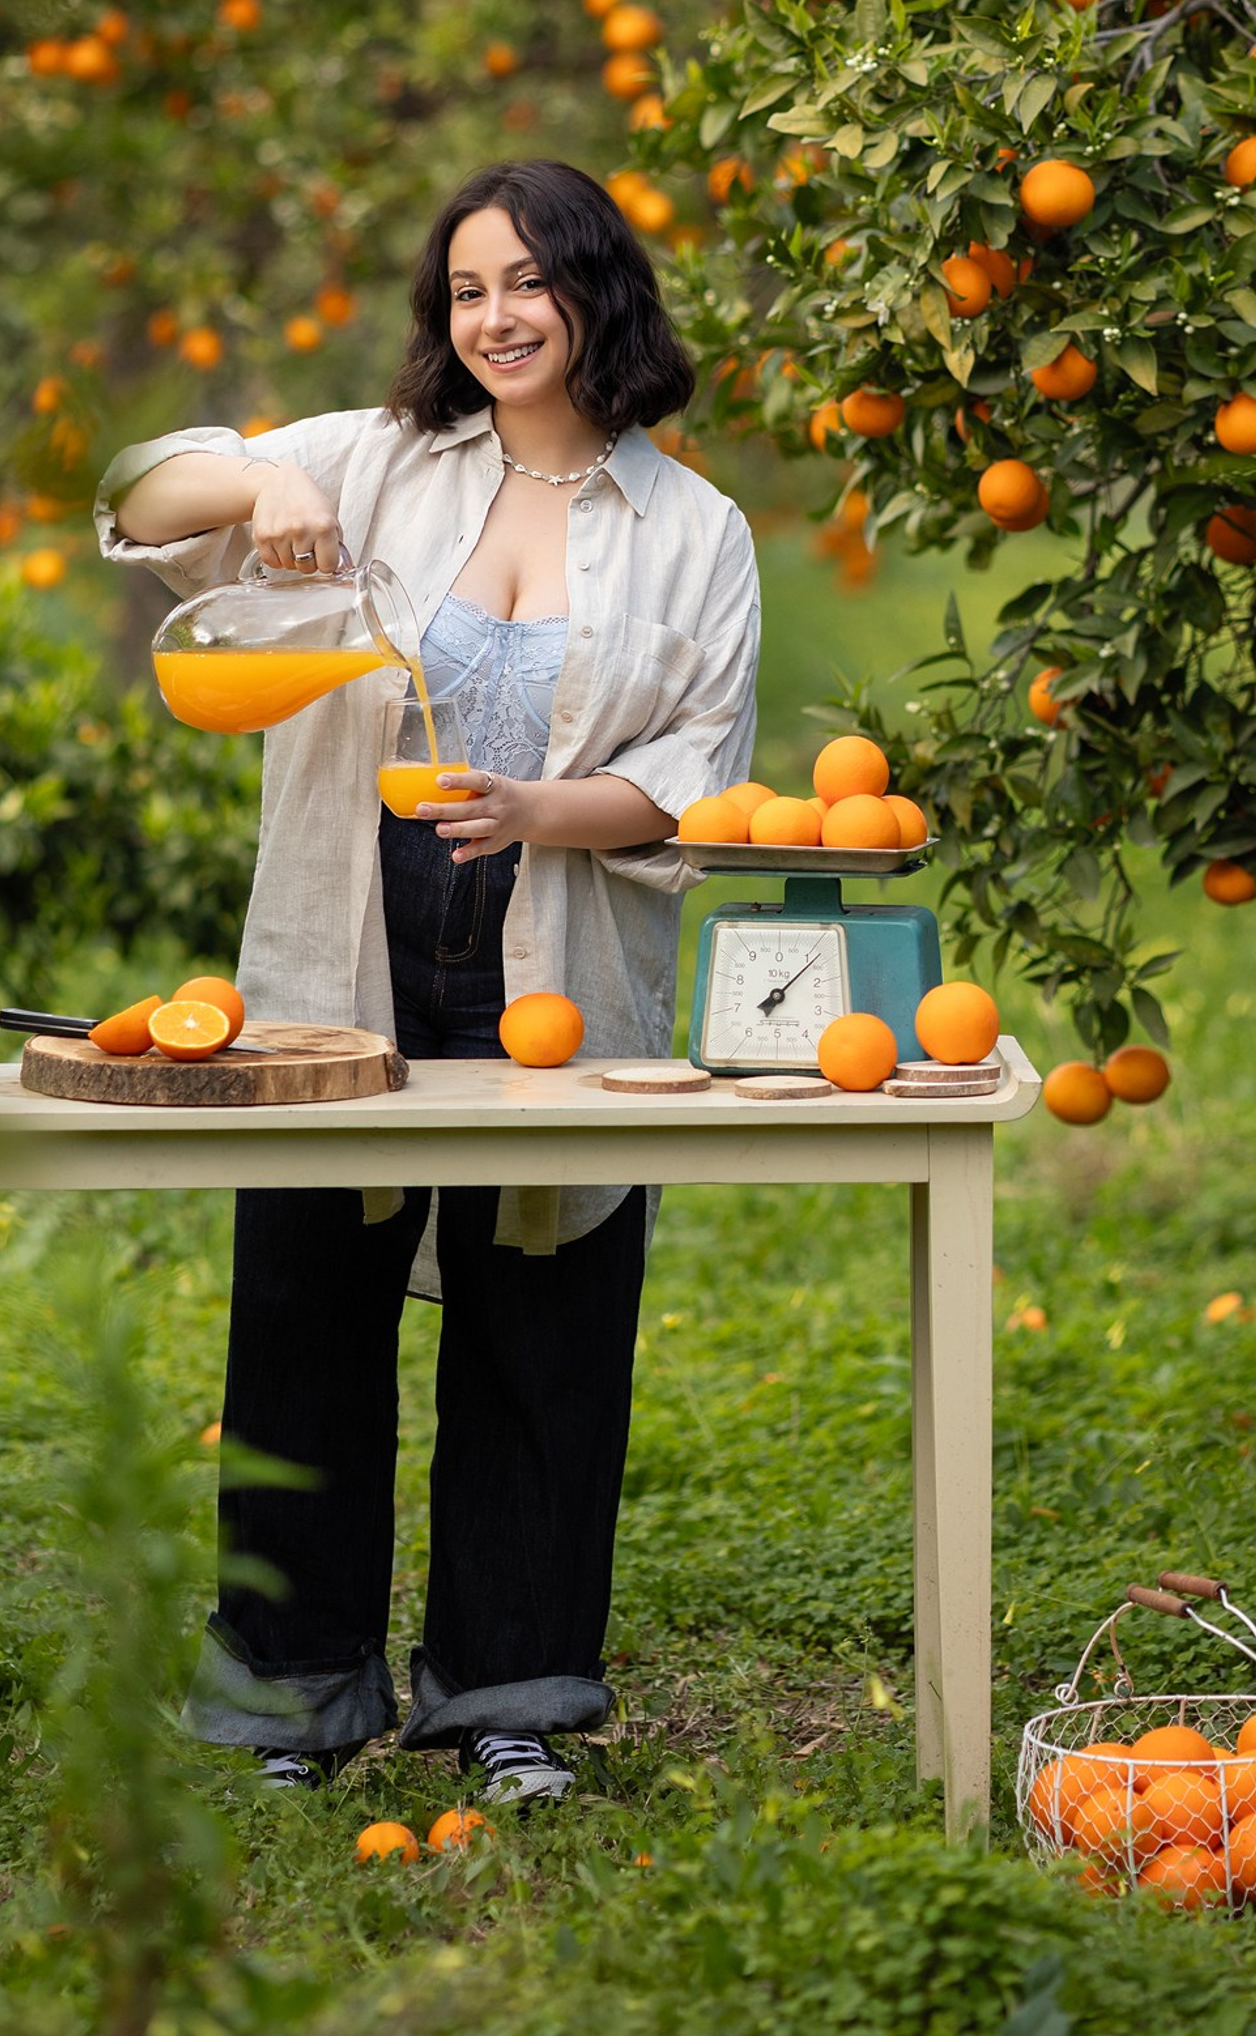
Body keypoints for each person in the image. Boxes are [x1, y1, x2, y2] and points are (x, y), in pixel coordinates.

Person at [94, 158, 760, 1803]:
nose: (496, 316)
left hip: (558, 947)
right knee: (304, 1317)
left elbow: (696, 772)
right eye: (466, 290)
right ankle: (293, 1697)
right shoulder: (376, 461)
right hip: (349, 945)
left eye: (526, 280)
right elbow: (135, 486)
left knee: (545, 1323)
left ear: (597, 290)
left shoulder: (695, 531)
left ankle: (511, 1696)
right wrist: (253, 488)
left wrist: (541, 811)